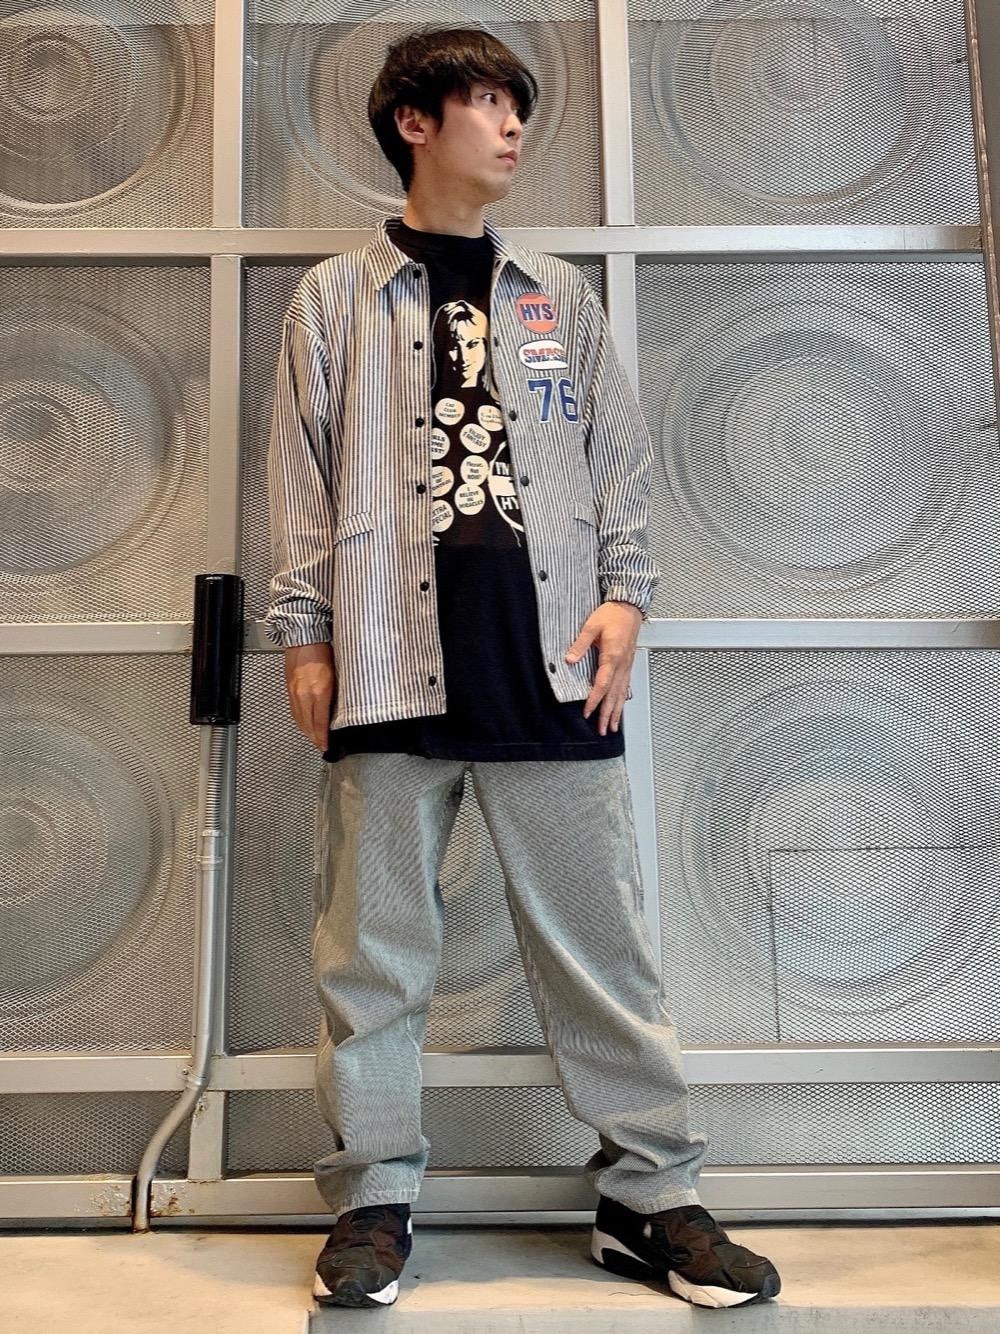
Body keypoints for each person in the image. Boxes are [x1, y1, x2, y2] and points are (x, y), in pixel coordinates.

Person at [263, 24, 780, 1312]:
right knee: (373, 956)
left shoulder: (557, 294)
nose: (512, 127)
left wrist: (627, 598)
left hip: (553, 663)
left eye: (517, 106)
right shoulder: (332, 298)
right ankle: (374, 1200)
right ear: (415, 122)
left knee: (601, 947)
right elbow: (299, 478)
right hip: (388, 661)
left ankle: (650, 1196)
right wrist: (304, 631)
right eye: (488, 102)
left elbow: (618, 454)